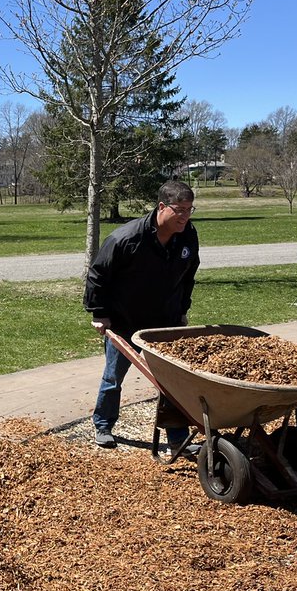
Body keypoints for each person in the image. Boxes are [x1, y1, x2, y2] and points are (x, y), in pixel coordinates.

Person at [83, 180, 200, 457]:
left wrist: (182, 309)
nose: (184, 216)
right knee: (113, 377)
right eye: (179, 209)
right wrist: (99, 313)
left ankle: (177, 439)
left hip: (164, 323)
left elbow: (188, 275)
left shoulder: (187, 236)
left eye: (189, 209)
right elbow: (98, 275)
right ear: (162, 207)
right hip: (126, 321)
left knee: (172, 381)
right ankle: (103, 425)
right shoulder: (126, 239)